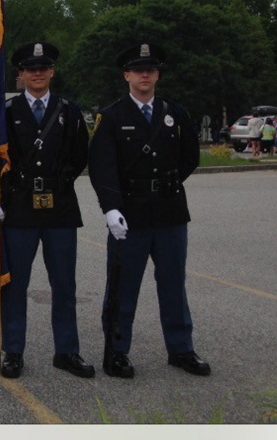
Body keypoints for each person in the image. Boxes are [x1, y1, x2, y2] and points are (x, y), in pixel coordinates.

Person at [88, 43, 210, 379]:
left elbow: (189, 158)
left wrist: (164, 186)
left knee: (173, 284)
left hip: (170, 213)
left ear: (157, 74)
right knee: (123, 287)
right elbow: (102, 166)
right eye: (138, 69)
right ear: (126, 75)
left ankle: (181, 349)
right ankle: (116, 351)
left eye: (151, 69)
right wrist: (111, 208)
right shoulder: (111, 116)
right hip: (130, 214)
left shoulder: (175, 113)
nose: (145, 75)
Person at [0, 42, 94, 379]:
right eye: (31, 69)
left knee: (64, 284)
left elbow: (79, 154)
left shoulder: (69, 110)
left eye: (44, 68)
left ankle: (67, 351)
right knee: (15, 286)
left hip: (59, 208)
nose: (38, 73)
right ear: (21, 74)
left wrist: (58, 181)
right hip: (19, 210)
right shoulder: (6, 114)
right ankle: (13, 351)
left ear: (52, 72)